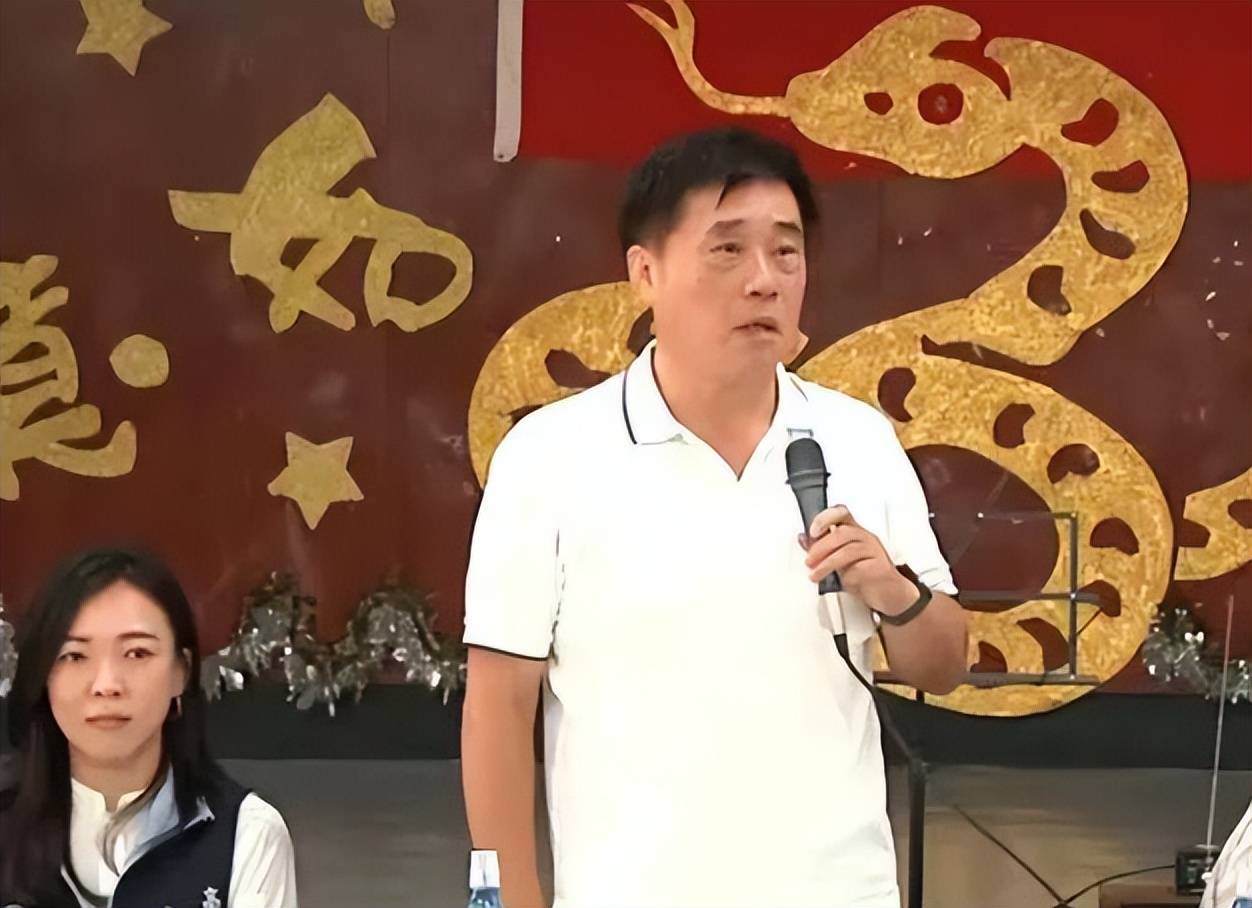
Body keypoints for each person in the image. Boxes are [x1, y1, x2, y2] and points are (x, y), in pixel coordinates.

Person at [461, 126, 968, 908]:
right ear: (645, 272)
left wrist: (894, 591)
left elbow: (945, 664)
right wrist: (505, 900)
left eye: (786, 252)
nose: (764, 281)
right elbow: (499, 705)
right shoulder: (550, 456)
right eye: (728, 250)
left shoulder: (857, 439)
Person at [0, 547, 298, 908]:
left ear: (181, 671)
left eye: (137, 653)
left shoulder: (248, 834)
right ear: (43, 675)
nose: (106, 685)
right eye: (74, 656)